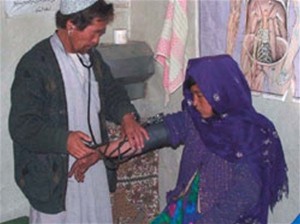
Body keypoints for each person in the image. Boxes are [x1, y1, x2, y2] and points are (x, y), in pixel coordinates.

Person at [70, 54, 288, 224]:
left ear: (220, 93)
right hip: (185, 210)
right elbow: (148, 138)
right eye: (192, 95)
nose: (194, 102)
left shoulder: (252, 136)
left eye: (201, 96)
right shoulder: (195, 120)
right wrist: (99, 153)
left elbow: (244, 195)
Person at [8, 0, 148, 223]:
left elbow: (112, 92)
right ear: (71, 25)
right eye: (94, 33)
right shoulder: (35, 64)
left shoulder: (92, 58)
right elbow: (22, 125)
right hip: (53, 180)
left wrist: (127, 117)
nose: (96, 41)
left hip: (91, 166)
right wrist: (63, 140)